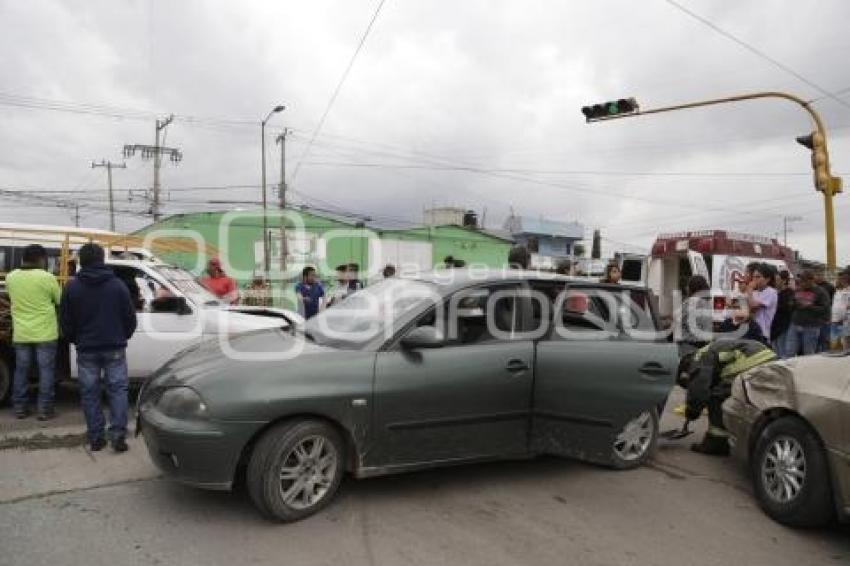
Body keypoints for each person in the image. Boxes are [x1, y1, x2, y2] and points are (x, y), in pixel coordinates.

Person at [60, 243, 137, 452]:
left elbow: (65, 322)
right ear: (102, 260)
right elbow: (130, 318)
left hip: (86, 348)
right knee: (118, 391)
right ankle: (118, 436)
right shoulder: (118, 285)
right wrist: (123, 336)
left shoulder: (71, 287)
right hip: (114, 347)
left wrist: (76, 340)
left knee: (89, 393)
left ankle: (96, 438)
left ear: (81, 262)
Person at [681, 338, 777, 456]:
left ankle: (716, 443)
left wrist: (692, 410)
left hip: (752, 360)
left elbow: (699, 388)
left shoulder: (699, 357)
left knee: (717, 397)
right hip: (769, 359)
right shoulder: (711, 351)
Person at [6, 244, 61, 420]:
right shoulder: (47, 278)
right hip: (45, 333)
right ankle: (45, 410)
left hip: (21, 334)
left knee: (21, 370)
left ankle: (20, 408)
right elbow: (59, 300)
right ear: (42, 259)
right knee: (46, 371)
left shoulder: (11, 277)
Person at [785, 270, 830, 357]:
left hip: (811, 327)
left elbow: (825, 310)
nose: (801, 282)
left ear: (811, 280)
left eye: (804, 280)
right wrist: (792, 303)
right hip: (795, 324)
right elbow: (791, 303)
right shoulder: (798, 290)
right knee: (789, 352)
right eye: (801, 280)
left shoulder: (821, 292)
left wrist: (808, 307)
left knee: (808, 354)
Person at [744, 263, 778, 343]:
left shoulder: (771, 292)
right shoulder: (755, 293)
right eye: (754, 277)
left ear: (767, 279)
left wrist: (749, 290)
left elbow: (752, 306)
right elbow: (747, 310)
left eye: (758, 277)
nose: (754, 279)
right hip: (750, 330)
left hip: (762, 333)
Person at [679, 275, 712, 346]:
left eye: (688, 285)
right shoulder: (706, 302)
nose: (686, 288)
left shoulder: (690, 302)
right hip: (703, 342)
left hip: (690, 344)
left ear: (693, 287)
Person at [770, 270, 795, 357]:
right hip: (774, 327)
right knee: (775, 352)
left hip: (784, 327)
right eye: (775, 280)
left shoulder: (789, 293)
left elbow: (788, 307)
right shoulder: (776, 293)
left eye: (777, 280)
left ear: (784, 281)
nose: (775, 282)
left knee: (782, 351)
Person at [830, 270, 850, 351]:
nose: (837, 280)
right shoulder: (838, 291)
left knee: (846, 341)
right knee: (840, 343)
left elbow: (846, 307)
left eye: (839, 279)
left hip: (846, 320)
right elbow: (836, 307)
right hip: (836, 321)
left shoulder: (848, 291)